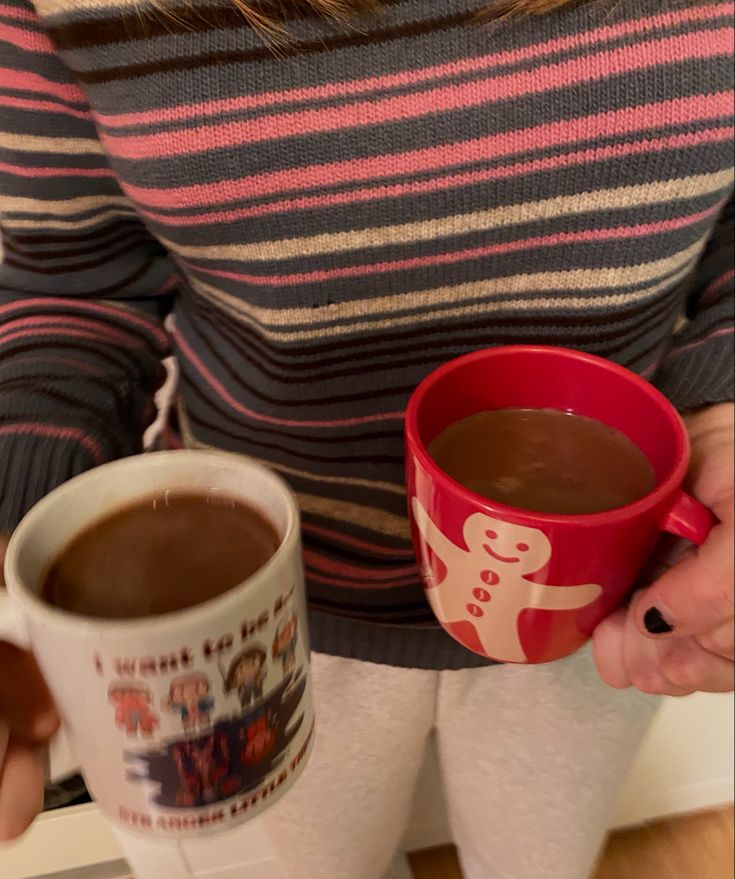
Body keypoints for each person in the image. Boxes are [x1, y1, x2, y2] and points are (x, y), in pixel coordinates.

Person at [0, 0, 732, 876]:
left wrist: (723, 412)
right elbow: (77, 287)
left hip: (598, 602)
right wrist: (18, 532)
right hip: (261, 617)